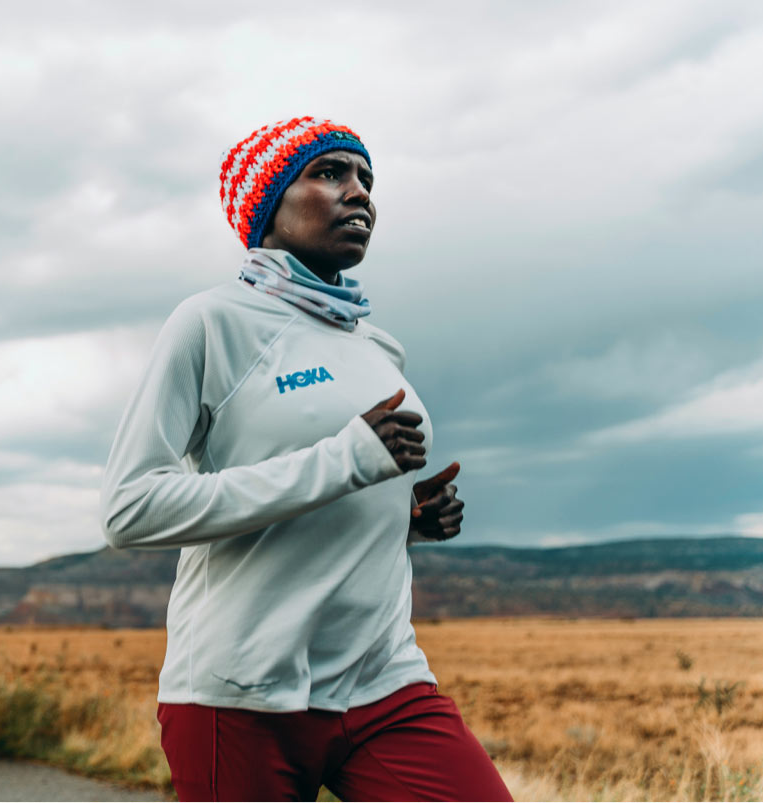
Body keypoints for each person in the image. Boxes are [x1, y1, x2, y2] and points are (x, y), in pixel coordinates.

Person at [99, 116, 513, 802]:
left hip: (384, 681)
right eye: (329, 174)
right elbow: (128, 508)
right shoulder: (213, 322)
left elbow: (338, 487)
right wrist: (343, 460)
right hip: (243, 691)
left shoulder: (378, 347)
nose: (360, 194)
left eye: (367, 180)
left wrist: (403, 518)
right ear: (266, 204)